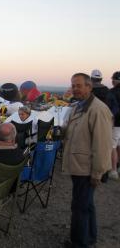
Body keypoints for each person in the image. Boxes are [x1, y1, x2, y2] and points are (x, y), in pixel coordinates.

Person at [62, 73, 112, 248]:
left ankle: (78, 243)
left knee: (79, 207)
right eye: (73, 85)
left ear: (89, 87)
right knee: (87, 204)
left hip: (87, 168)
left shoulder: (98, 109)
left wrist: (98, 172)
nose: (75, 89)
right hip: (78, 165)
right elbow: (72, 130)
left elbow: (103, 144)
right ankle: (89, 237)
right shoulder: (79, 106)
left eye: (79, 85)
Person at [107, 71, 120, 180]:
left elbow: (110, 109)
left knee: (113, 146)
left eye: (113, 79)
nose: (112, 81)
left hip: (116, 123)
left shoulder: (112, 92)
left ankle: (113, 170)